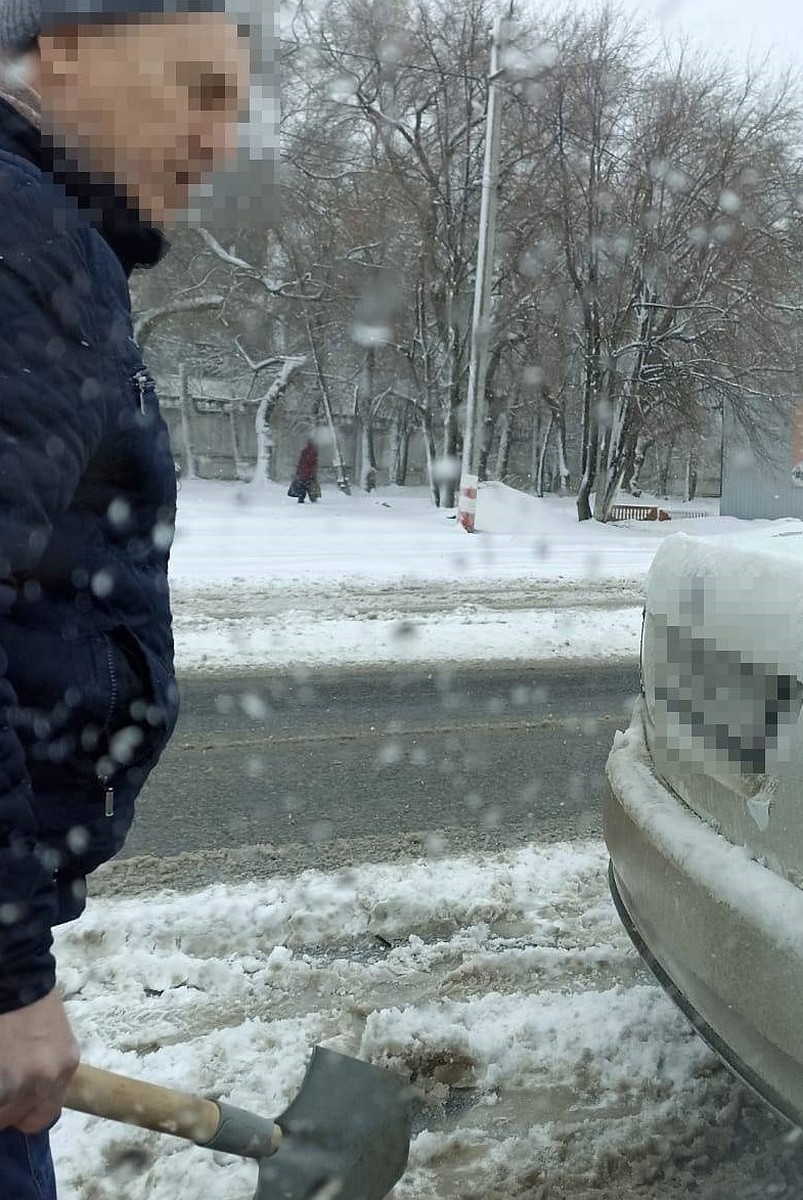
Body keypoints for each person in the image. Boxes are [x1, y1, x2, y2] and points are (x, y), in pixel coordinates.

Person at [0, 2, 249, 1195]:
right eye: (197, 87)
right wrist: (4, 975)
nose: (221, 137)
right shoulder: (23, 241)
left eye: (237, 104)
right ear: (62, 46)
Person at [289, 437, 321, 503]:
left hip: (303, 474)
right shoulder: (314, 452)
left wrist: (298, 472)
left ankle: (301, 499)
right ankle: (313, 499)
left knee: (302, 488)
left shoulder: (305, 451)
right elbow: (313, 463)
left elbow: (301, 462)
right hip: (309, 474)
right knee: (311, 487)